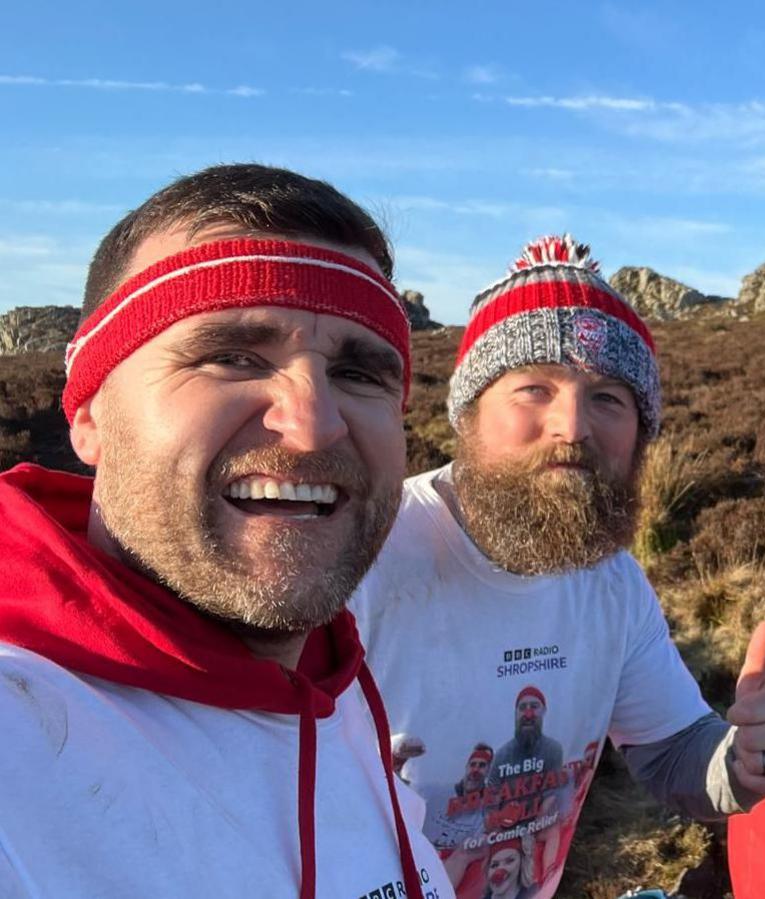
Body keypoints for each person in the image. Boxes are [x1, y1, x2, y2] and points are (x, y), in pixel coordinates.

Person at [0, 164, 448, 897]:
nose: (313, 426)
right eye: (233, 356)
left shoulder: (337, 691)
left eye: (361, 372)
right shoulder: (17, 739)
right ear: (87, 414)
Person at [350, 235, 765, 898]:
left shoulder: (611, 581)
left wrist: (744, 760)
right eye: (534, 387)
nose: (572, 424)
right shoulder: (367, 557)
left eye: (608, 399)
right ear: (468, 412)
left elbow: (676, 753)